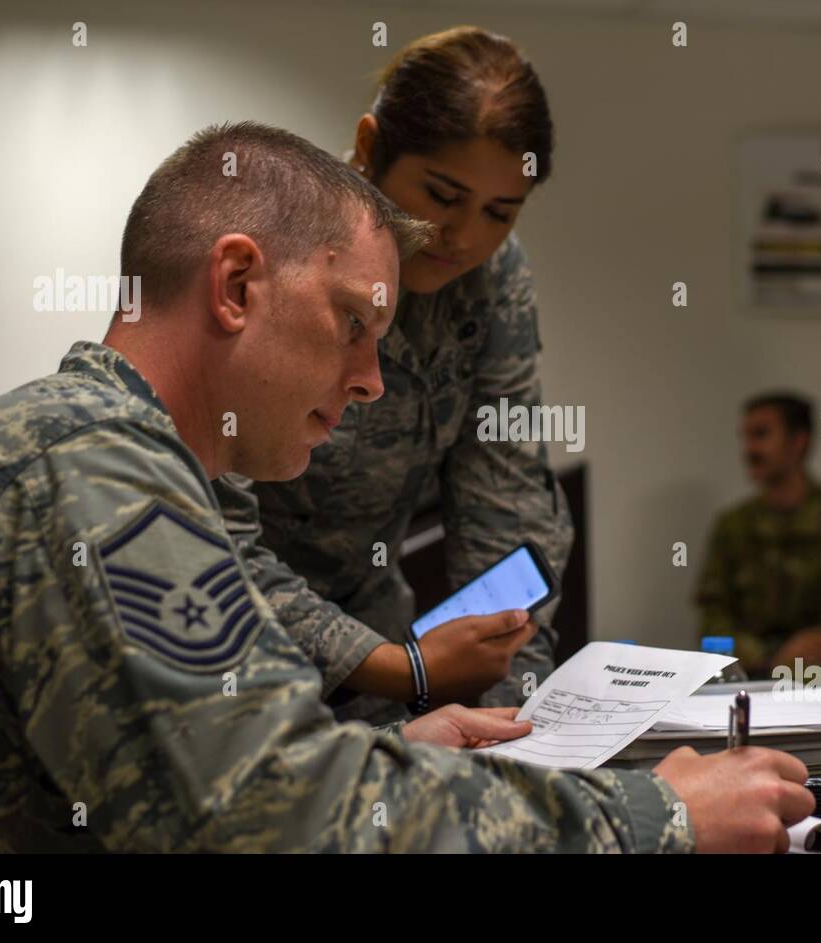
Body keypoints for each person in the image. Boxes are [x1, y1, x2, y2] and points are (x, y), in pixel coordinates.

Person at [0, 123, 813, 852]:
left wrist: (378, 760)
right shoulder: (88, 461)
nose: (371, 378)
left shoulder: (105, 449)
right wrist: (657, 814)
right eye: (352, 322)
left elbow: (217, 780)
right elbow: (267, 821)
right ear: (237, 284)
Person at [216, 26, 571, 725]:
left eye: (501, 211)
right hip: (232, 645)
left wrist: (516, 715)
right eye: (442, 194)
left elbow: (507, 498)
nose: (465, 235)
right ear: (371, 148)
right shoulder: (277, 251)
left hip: (381, 639)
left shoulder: (493, 280)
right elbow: (211, 534)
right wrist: (394, 667)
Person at [695, 392, 821, 675]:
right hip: (748, 680)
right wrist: (763, 656)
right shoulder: (733, 525)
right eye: (745, 437)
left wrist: (799, 655)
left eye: (761, 435)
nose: (749, 449)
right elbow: (712, 612)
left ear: (798, 441)